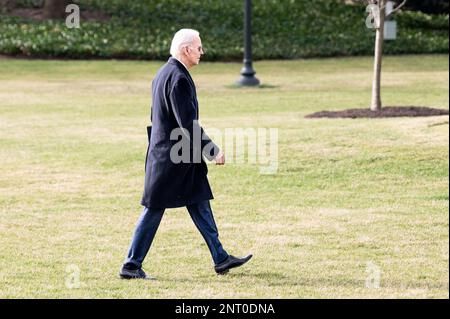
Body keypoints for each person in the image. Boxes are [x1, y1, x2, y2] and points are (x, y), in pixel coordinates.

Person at [119, 29, 252, 280]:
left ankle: (220, 257)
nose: (202, 52)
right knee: (153, 209)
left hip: (176, 157)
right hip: (171, 159)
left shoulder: (163, 73)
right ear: (185, 49)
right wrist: (212, 150)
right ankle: (131, 265)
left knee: (199, 201)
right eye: (198, 48)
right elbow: (187, 124)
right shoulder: (178, 78)